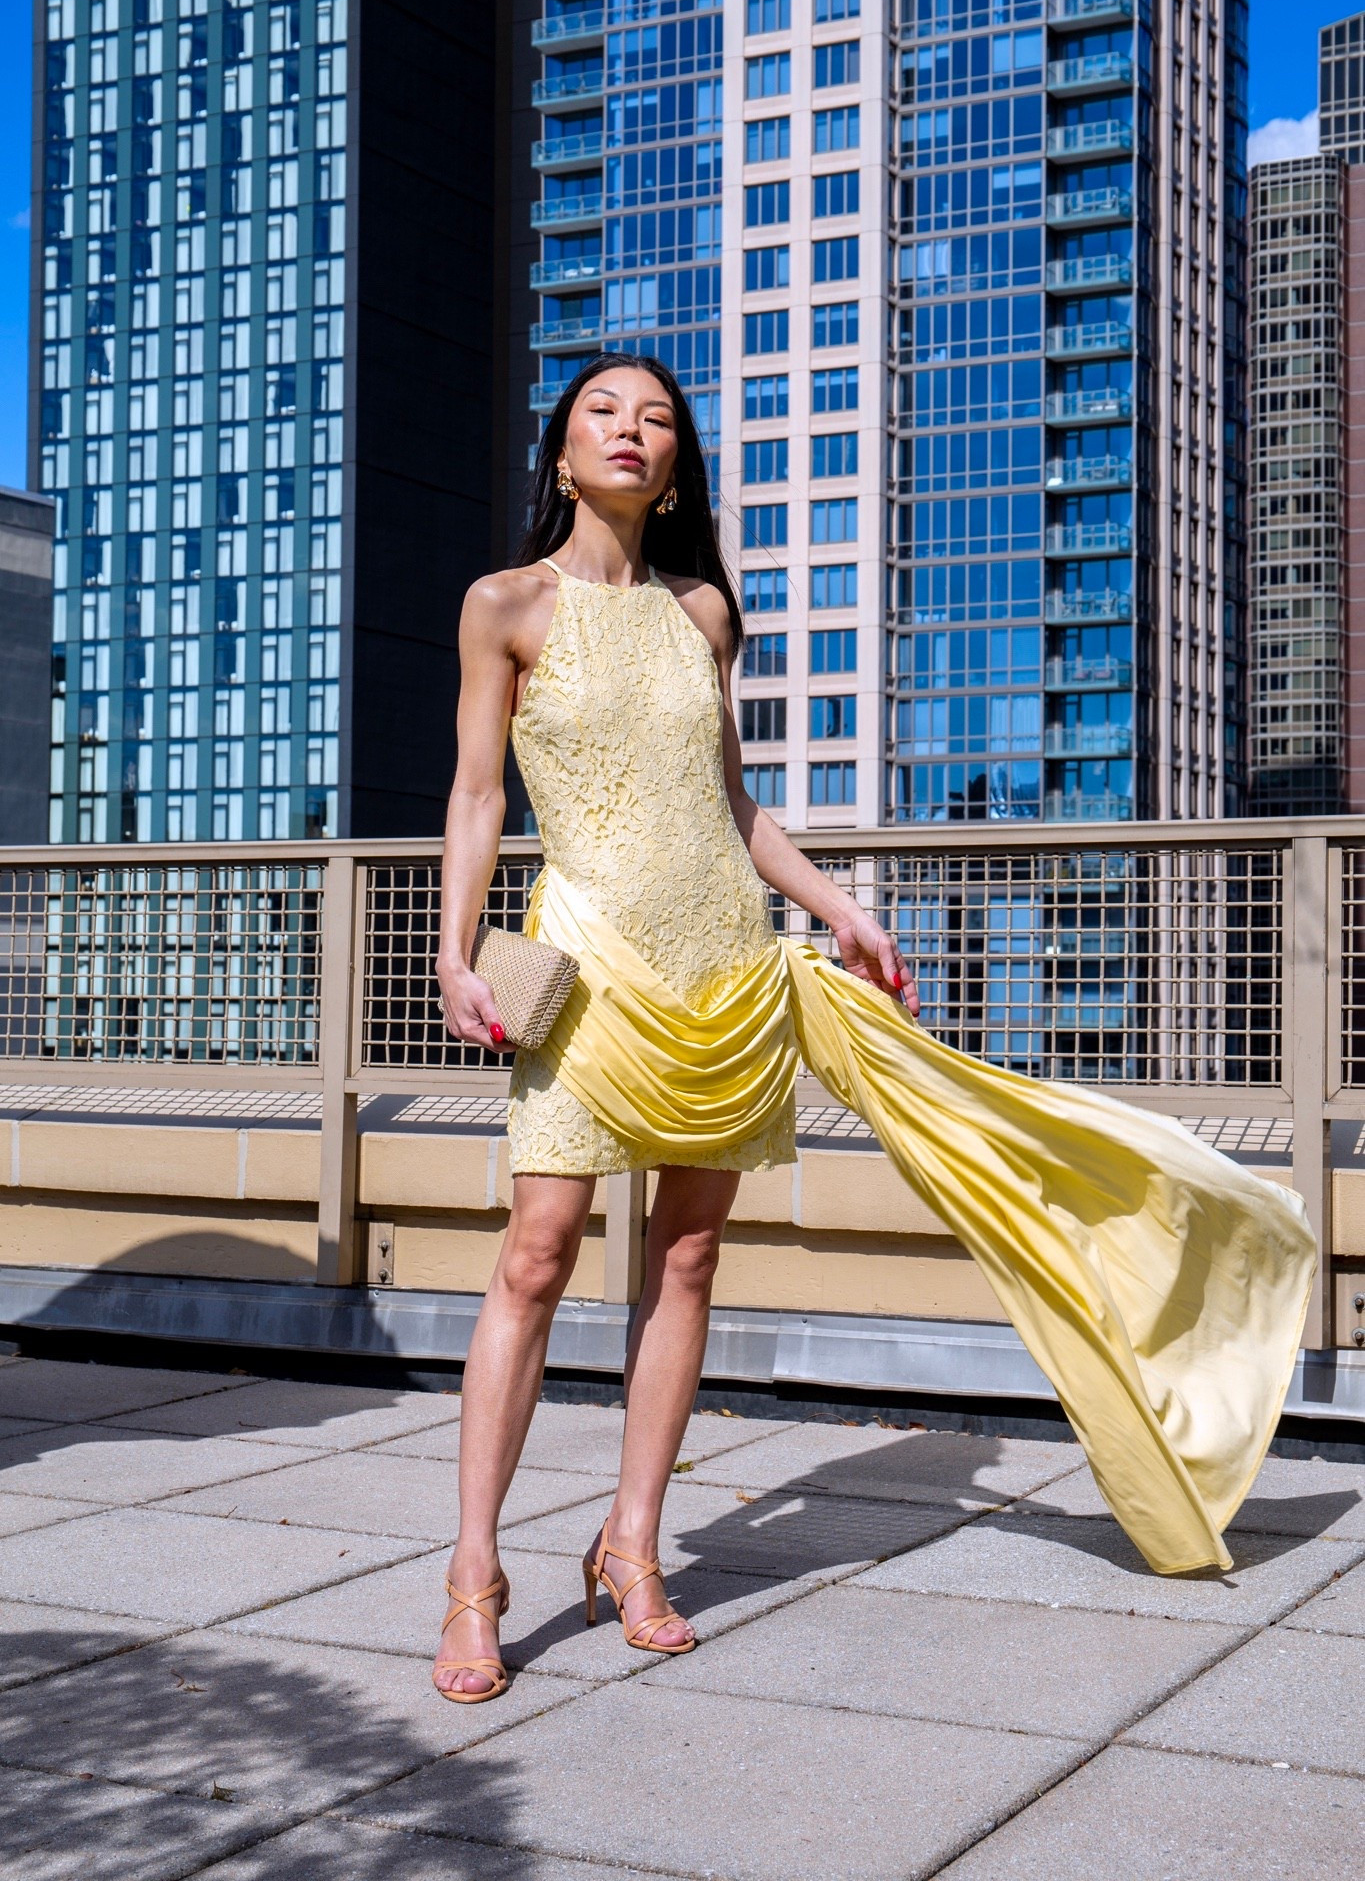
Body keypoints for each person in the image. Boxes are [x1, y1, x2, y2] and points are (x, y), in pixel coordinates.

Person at [431, 353, 1315, 1705]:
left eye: (658, 419)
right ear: (561, 453)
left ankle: (633, 1544)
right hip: (589, 960)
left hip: (726, 961)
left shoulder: (705, 614)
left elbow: (727, 805)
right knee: (535, 1257)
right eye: (604, 412)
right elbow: (480, 795)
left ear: (676, 470)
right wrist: (451, 949)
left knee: (687, 1262)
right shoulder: (503, 605)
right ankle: (474, 1577)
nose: (632, 431)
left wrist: (838, 905)